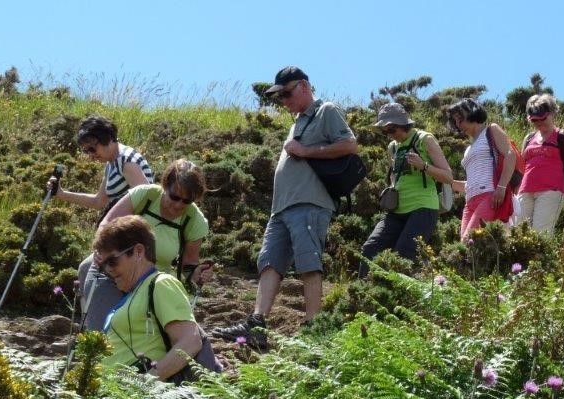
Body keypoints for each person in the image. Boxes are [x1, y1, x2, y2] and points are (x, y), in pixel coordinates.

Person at [213, 67, 357, 348]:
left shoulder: (326, 110)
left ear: (304, 86)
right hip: (282, 207)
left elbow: (349, 145)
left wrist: (307, 151)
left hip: (310, 202)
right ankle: (257, 323)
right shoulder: (297, 122)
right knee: (269, 260)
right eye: (279, 97)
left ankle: (314, 327)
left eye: (287, 93)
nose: (284, 101)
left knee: (308, 261)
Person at [78, 159, 212, 331]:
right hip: (116, 271)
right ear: (165, 185)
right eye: (175, 196)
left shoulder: (195, 220)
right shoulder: (145, 195)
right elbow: (107, 225)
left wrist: (198, 273)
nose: (179, 205)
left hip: (152, 285)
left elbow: (189, 265)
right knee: (105, 330)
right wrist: (101, 250)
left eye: (187, 201)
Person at [93, 216, 203, 382]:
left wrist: (145, 382)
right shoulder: (135, 292)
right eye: (104, 265)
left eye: (112, 261)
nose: (108, 269)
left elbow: (190, 341)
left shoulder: (161, 283)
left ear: (138, 251)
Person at [360, 103, 453, 277]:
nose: (389, 135)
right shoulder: (393, 147)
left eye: (392, 130)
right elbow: (395, 177)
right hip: (396, 210)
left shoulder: (425, 139)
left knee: (404, 254)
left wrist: (423, 165)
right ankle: (363, 296)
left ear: (404, 124)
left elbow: (448, 176)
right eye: (385, 132)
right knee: (370, 249)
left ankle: (399, 301)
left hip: (423, 208)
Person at [50, 115, 154, 218]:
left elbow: (147, 199)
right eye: (86, 151)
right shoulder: (112, 163)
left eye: (92, 149)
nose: (91, 155)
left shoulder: (126, 161)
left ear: (106, 138)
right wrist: (61, 194)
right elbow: (99, 202)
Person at [446, 98, 517, 241]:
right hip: (470, 201)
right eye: (456, 121)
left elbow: (511, 155)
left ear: (471, 112)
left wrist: (501, 187)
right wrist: (447, 181)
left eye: (461, 119)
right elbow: (471, 183)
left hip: (490, 196)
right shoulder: (468, 149)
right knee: (465, 245)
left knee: (469, 241)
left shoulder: (491, 130)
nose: (459, 124)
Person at [515, 94, 564, 235]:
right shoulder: (529, 138)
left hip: (551, 191)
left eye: (543, 118)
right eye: (535, 120)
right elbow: (522, 167)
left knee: (540, 234)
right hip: (525, 190)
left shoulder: (562, 137)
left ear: (552, 113)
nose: (540, 122)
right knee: (518, 233)